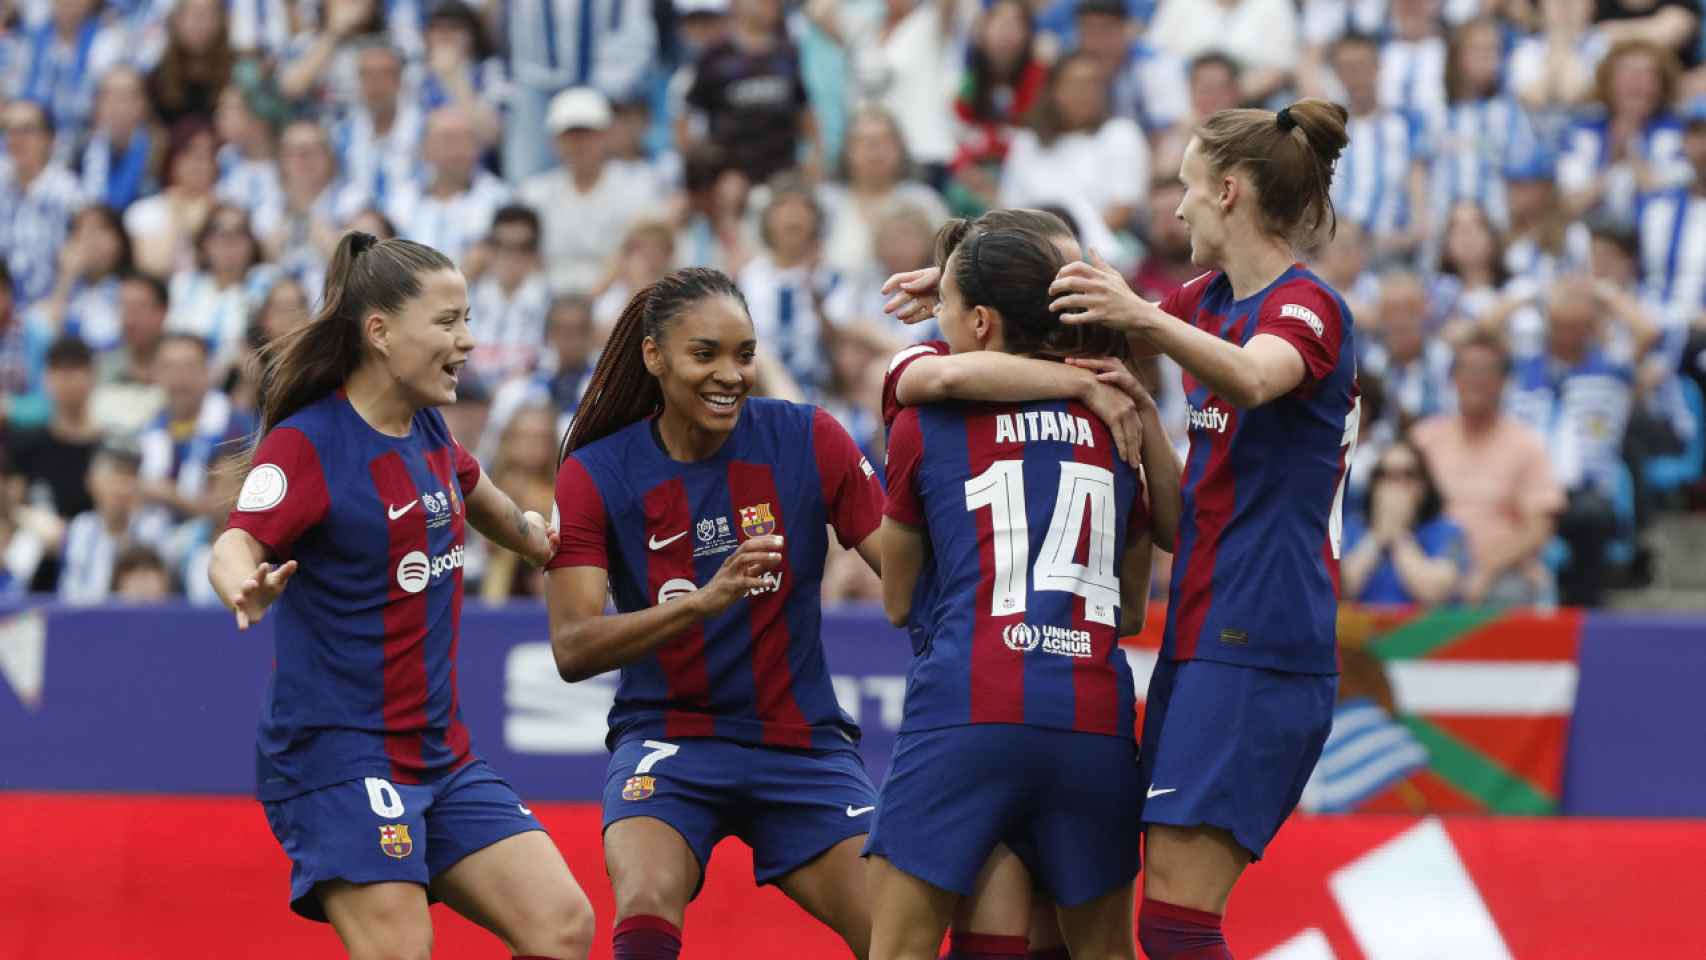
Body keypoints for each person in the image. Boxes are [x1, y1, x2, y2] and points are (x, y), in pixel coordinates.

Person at [205, 232, 594, 959]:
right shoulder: (308, 443)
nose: (469, 341)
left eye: (468, 319)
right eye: (448, 323)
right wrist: (244, 584)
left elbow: (474, 492)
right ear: (380, 332)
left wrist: (536, 539)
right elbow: (235, 543)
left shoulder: (427, 427)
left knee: (563, 927)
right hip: (337, 757)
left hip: (439, 754)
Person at [1043, 99, 1358, 959]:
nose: (1174, 207)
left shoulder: (1308, 308)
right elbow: (1186, 521)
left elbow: (1256, 379)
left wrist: (1148, 326)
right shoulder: (1203, 301)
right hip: (1200, 629)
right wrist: (962, 277)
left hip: (1263, 638)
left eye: (1184, 187)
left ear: (1227, 192)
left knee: (1178, 927)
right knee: (1118, 908)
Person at [546, 267, 883, 960]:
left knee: (895, 935)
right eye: (706, 354)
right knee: (642, 908)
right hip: (670, 740)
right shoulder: (596, 472)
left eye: (745, 354)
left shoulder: (809, 438)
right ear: (654, 356)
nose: (730, 374)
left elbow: (909, 583)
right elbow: (573, 648)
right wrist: (703, 602)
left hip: (802, 744)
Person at [879, 207, 1182, 960]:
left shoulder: (924, 420)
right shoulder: (1120, 429)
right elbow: (1135, 606)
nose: (935, 322)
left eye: (945, 309)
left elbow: (893, 599)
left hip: (967, 706)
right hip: (1092, 719)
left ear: (981, 322)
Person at [1340, 440, 1468, 606]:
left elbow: (1435, 593)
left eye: (1408, 474)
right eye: (1385, 475)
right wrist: (1377, 537)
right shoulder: (1351, 528)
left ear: (1423, 486)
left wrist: (1399, 534)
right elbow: (1343, 590)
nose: (1396, 485)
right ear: (1373, 485)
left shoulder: (1450, 532)